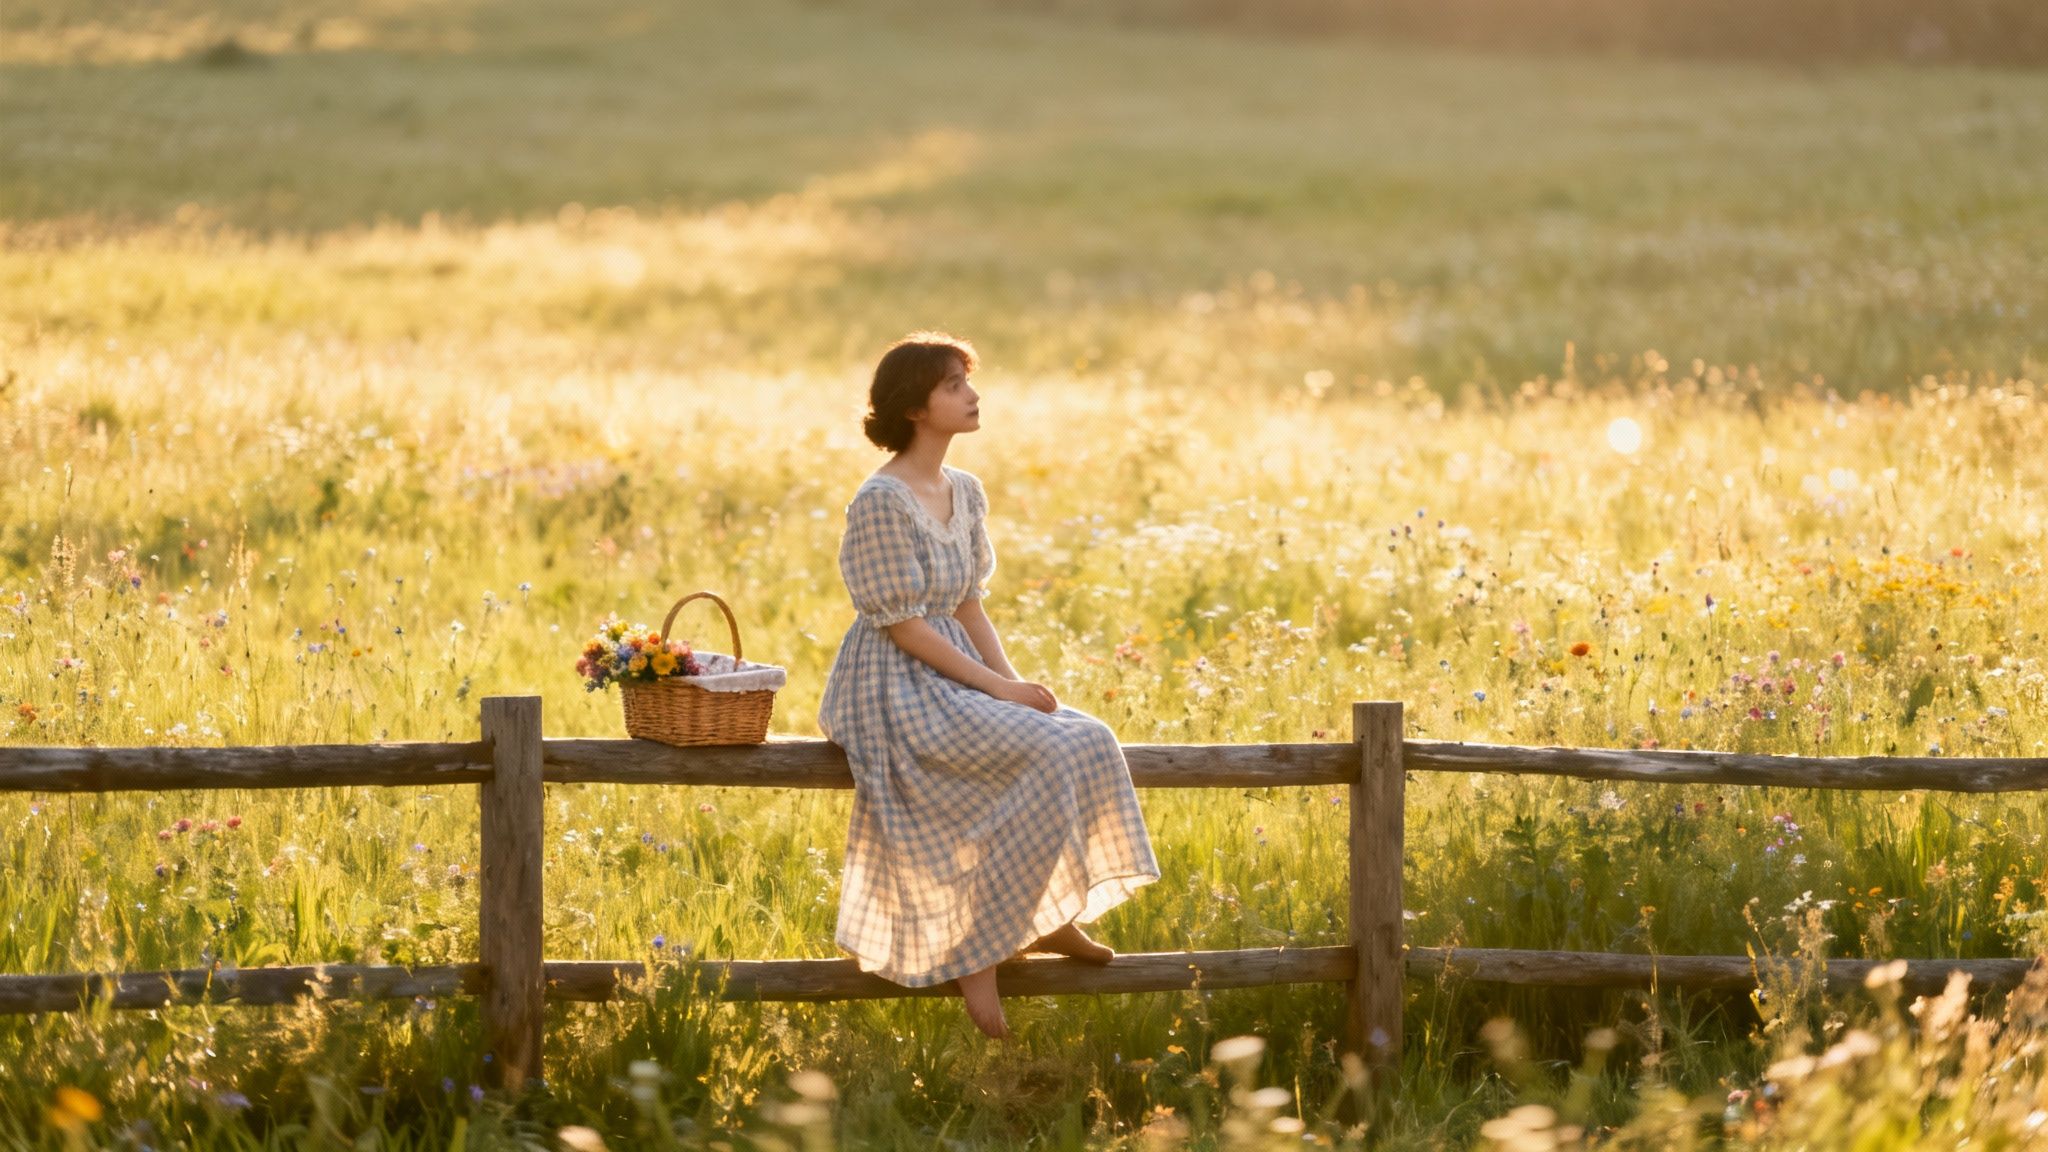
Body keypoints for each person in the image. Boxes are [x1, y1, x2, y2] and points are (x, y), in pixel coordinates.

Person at [816, 331, 1161, 1039]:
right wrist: (997, 695)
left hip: (954, 673)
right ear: (916, 407)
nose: (972, 396)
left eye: (966, 382)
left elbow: (968, 604)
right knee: (1048, 750)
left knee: (1087, 736)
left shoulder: (964, 491)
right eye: (953, 386)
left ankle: (1052, 915)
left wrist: (1015, 684)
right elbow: (905, 625)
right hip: (893, 683)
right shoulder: (880, 501)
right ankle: (980, 955)